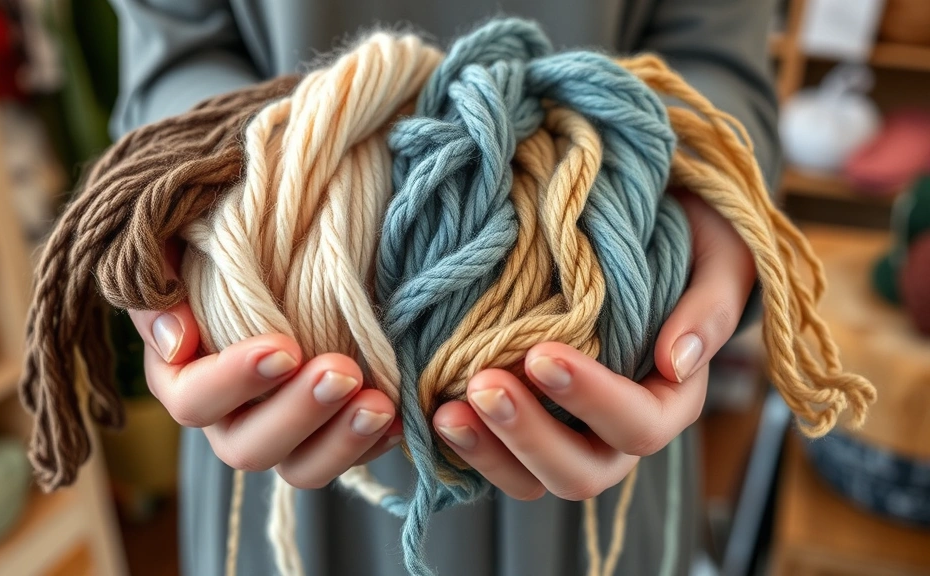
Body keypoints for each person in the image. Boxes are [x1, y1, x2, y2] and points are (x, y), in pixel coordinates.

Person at [107, 1, 779, 574]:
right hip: (276, 357)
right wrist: (177, 202)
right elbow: (173, 54)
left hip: (600, 338)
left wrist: (714, 208)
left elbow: (717, 56)